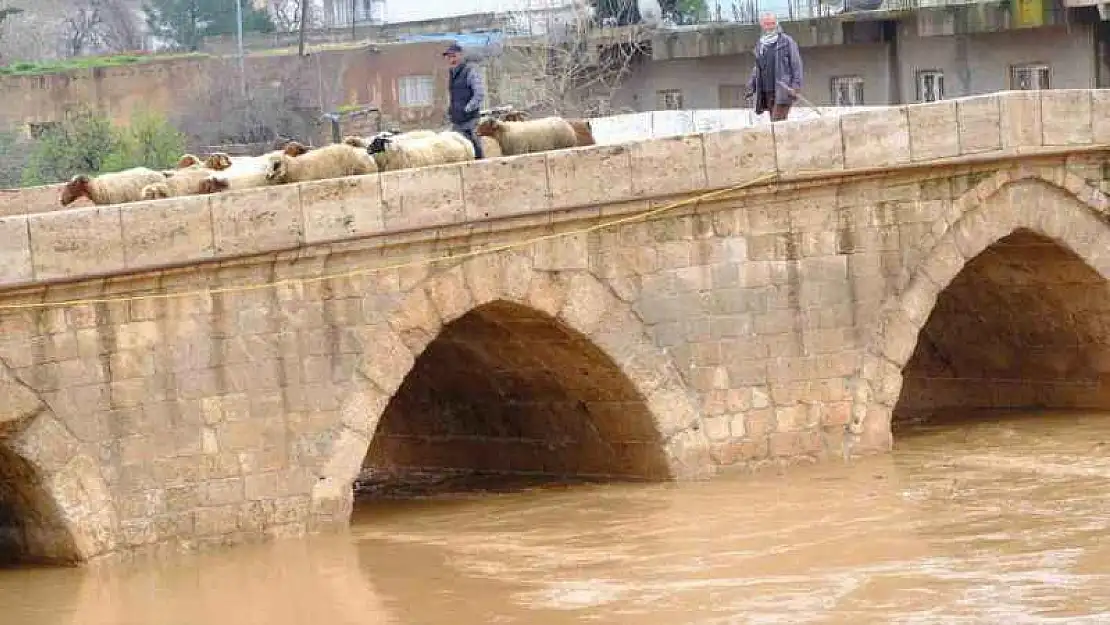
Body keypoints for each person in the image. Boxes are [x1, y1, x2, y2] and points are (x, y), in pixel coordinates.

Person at [745, 13, 803, 122]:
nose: (770, 26)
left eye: (772, 23)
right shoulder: (761, 44)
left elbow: (796, 65)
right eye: (767, 24)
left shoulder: (786, 41)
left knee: (777, 122)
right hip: (767, 91)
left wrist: (796, 86)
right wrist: (751, 85)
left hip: (783, 90)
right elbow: (757, 67)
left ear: (776, 24)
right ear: (762, 25)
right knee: (774, 123)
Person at [443, 43, 485, 159]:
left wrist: (467, 109)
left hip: (470, 119)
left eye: (454, 56)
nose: (451, 59)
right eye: (449, 57)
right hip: (457, 121)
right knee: (457, 148)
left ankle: (481, 167)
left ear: (460, 56)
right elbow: (453, 96)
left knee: (474, 145)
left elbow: (479, 94)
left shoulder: (470, 71)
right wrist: (450, 110)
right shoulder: (452, 74)